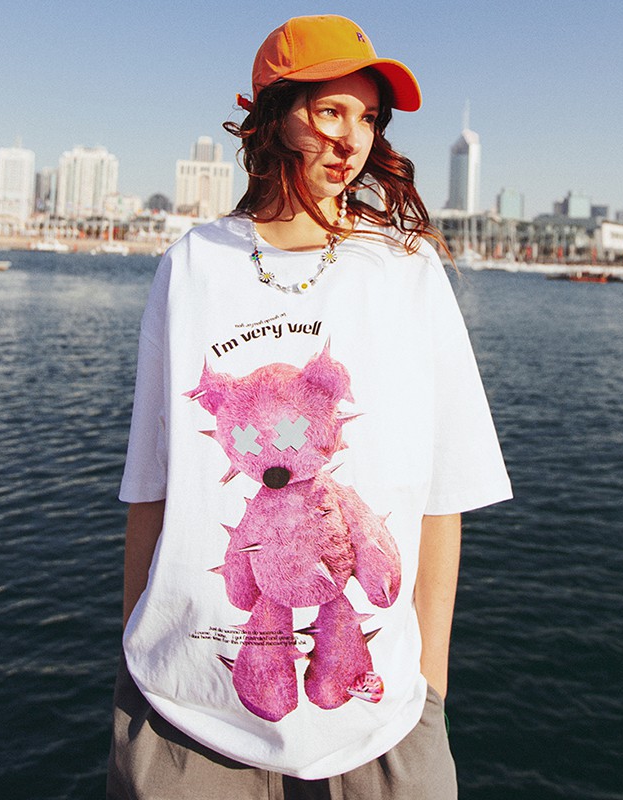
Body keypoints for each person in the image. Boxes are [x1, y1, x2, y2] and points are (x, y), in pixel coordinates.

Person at [108, 14, 511, 800]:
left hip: (381, 715)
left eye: (368, 117)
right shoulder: (192, 266)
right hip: (184, 703)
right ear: (272, 115)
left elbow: (444, 497)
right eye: (330, 110)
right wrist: (134, 648)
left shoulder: (406, 271)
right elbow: (152, 486)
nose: (352, 139)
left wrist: (430, 685)